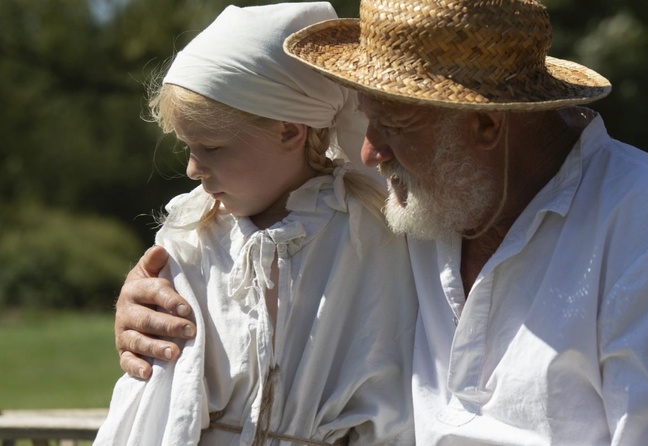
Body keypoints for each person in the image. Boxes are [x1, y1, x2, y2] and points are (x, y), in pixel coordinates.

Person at [114, 0, 648, 444]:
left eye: (395, 124)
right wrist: (151, 291)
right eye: (365, 117)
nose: (368, 152)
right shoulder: (423, 200)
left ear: (485, 124)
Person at [95, 3, 418, 445]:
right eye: (188, 147)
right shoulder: (193, 240)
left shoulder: (374, 235)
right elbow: (158, 404)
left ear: (289, 131)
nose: (192, 168)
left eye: (210, 146)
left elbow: (398, 398)